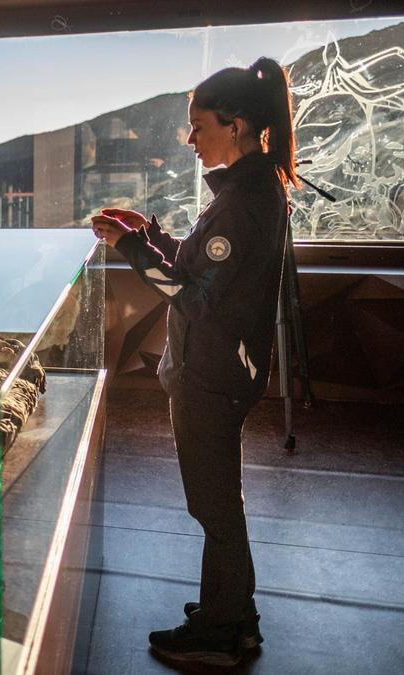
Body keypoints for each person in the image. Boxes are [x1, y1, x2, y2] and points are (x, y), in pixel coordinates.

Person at [91, 56, 299, 667]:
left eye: (198, 125)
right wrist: (147, 233)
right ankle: (232, 610)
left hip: (212, 375)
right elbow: (199, 266)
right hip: (223, 369)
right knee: (218, 500)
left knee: (213, 504)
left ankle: (223, 633)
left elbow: (189, 293)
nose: (190, 138)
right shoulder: (250, 189)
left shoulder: (242, 201)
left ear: (234, 126)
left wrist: (126, 245)